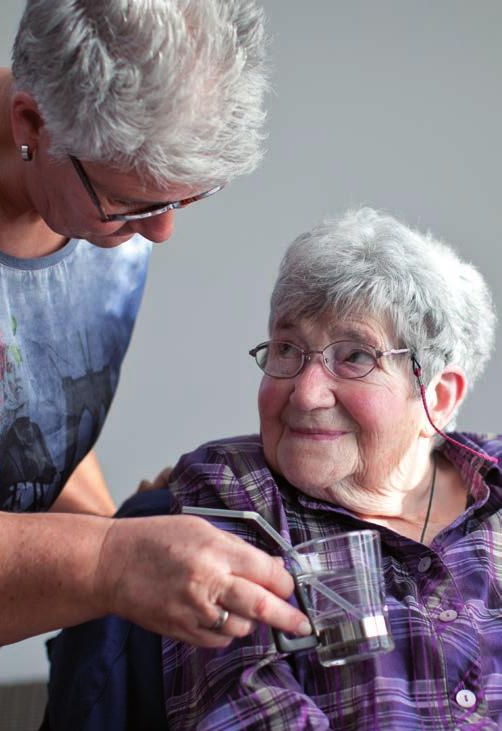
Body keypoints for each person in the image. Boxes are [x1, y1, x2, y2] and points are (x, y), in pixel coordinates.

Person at [47, 207, 501, 729]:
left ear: (436, 398)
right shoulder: (234, 493)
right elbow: (245, 712)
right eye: (288, 349)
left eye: (354, 357)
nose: (305, 394)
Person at [0, 0, 310, 665]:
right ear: (33, 125)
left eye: (182, 200)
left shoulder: (98, 196)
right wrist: (109, 560)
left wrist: (125, 527)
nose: (161, 232)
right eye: (136, 204)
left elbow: (15, 411)